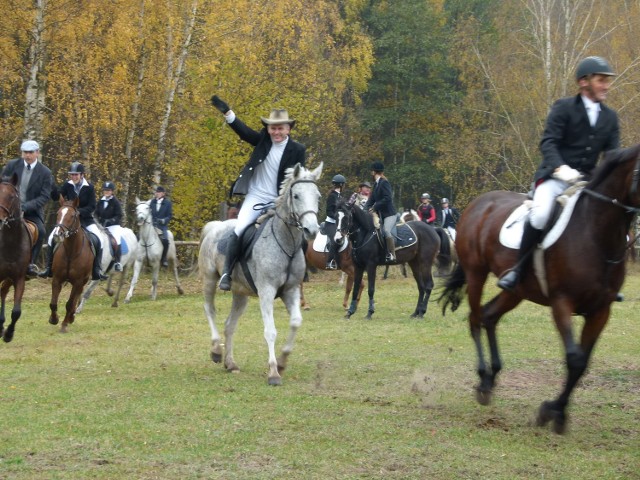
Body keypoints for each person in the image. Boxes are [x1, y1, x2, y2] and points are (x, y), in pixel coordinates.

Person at [498, 56, 620, 292]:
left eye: (608, 81)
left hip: (587, 182)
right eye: (601, 80)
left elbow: (612, 154)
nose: (606, 85)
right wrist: (560, 168)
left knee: (608, 219)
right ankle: (518, 270)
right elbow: (548, 142)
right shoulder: (563, 107)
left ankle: (605, 278)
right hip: (556, 178)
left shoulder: (610, 117)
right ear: (584, 82)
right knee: (541, 216)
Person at [211, 95, 306, 291]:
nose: (276, 132)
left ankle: (299, 272)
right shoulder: (263, 140)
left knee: (299, 230)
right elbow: (244, 132)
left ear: (288, 129)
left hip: (280, 199)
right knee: (240, 228)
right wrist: (228, 114)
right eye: (273, 128)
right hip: (256, 196)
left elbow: (298, 178)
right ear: (268, 129)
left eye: (280, 128)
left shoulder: (298, 149)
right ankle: (228, 273)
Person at [39, 162, 108, 280]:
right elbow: (58, 197)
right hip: (69, 221)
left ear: (82, 175)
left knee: (99, 239)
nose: (74, 177)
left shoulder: (89, 187)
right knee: (51, 238)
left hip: (86, 219)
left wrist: (80, 212)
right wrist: (52, 187)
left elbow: (92, 206)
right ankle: (48, 268)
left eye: (76, 175)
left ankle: (97, 270)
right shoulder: (68, 185)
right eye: (72, 175)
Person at [1, 140, 53, 277]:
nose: (27, 155)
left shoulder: (45, 172)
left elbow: (45, 196)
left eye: (30, 152)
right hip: (8, 208)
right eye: (25, 152)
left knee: (41, 231)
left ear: (37, 153)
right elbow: (3, 183)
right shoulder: (12, 165)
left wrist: (25, 206)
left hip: (32, 212)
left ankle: (30, 264)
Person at [364, 161, 397, 262]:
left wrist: (374, 207)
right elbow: (371, 200)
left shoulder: (384, 182)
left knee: (386, 230)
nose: (371, 173)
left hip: (389, 214)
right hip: (381, 216)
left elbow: (388, 198)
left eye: (372, 171)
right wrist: (364, 209)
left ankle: (392, 254)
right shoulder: (376, 184)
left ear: (374, 172)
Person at [95, 181, 124, 271]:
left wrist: (111, 220)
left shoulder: (115, 202)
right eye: (105, 190)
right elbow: (96, 213)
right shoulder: (100, 201)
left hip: (113, 226)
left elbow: (119, 215)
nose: (106, 192)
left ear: (112, 191)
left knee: (116, 240)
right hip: (101, 226)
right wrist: (96, 219)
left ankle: (117, 262)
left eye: (108, 190)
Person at [324, 174, 345, 270]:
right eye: (344, 185)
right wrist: (337, 217)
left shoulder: (341, 197)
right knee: (335, 240)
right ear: (341, 185)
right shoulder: (332, 196)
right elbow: (329, 212)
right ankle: (329, 262)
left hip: (338, 224)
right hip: (330, 223)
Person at [150, 186, 172, 267]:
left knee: (165, 241)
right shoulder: (152, 202)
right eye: (156, 192)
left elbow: (169, 216)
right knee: (139, 236)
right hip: (151, 225)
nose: (157, 193)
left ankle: (164, 258)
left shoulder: (168, 203)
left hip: (162, 226)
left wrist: (164, 220)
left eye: (159, 192)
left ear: (163, 193)